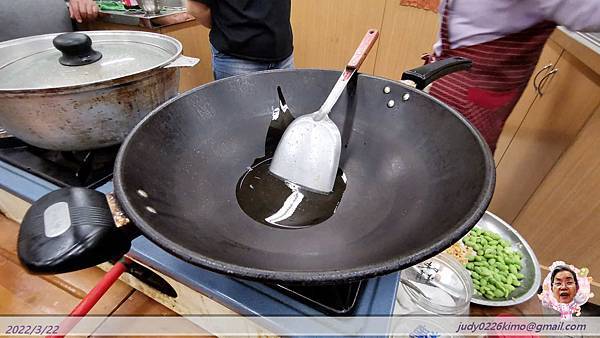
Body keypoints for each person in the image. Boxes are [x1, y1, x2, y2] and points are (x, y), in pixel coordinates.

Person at [428, 0, 600, 152]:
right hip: (467, 102)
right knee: (457, 163)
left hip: (436, 78)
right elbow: (591, 15)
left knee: (424, 149)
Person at [186, 0, 294, 80]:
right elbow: (196, 8)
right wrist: (230, 30)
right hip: (236, 59)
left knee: (288, 108)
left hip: (283, 53)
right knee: (241, 110)